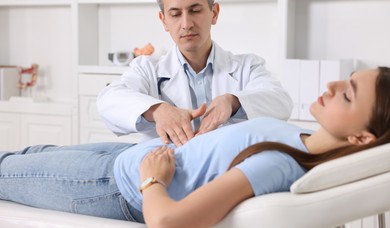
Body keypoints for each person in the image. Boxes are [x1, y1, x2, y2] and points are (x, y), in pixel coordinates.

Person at [1, 67, 389, 227]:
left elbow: (169, 223)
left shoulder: (281, 164)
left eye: (348, 96)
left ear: (361, 139)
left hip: (115, 185)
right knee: (25, 155)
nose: (332, 86)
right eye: (346, 80)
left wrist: (152, 181)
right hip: (125, 156)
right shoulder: (297, 138)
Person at [97, 0, 292, 146]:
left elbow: (281, 102)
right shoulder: (147, 68)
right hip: (168, 171)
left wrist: (233, 102)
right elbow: (109, 100)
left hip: (228, 169)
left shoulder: (246, 66)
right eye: (175, 14)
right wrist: (158, 110)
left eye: (195, 11)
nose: (186, 24)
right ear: (163, 20)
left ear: (214, 13)